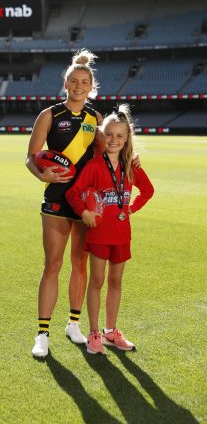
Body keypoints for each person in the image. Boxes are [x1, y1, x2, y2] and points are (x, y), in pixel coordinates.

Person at [26, 49, 103, 358]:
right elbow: (31, 158)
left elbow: (103, 156)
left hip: (84, 202)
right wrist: (43, 175)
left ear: (90, 85)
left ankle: (73, 325)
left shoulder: (95, 119)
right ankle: (42, 334)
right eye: (74, 81)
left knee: (79, 264)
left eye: (84, 82)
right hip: (56, 200)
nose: (79, 86)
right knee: (53, 265)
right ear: (66, 83)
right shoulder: (49, 115)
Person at [66, 104, 154, 355]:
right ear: (102, 137)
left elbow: (148, 191)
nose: (114, 140)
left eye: (120, 136)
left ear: (127, 139)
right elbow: (73, 193)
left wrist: (131, 209)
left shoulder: (131, 166)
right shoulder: (94, 166)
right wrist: (84, 212)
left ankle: (110, 331)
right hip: (99, 235)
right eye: (109, 135)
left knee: (116, 282)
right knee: (97, 281)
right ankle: (94, 333)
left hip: (122, 234)